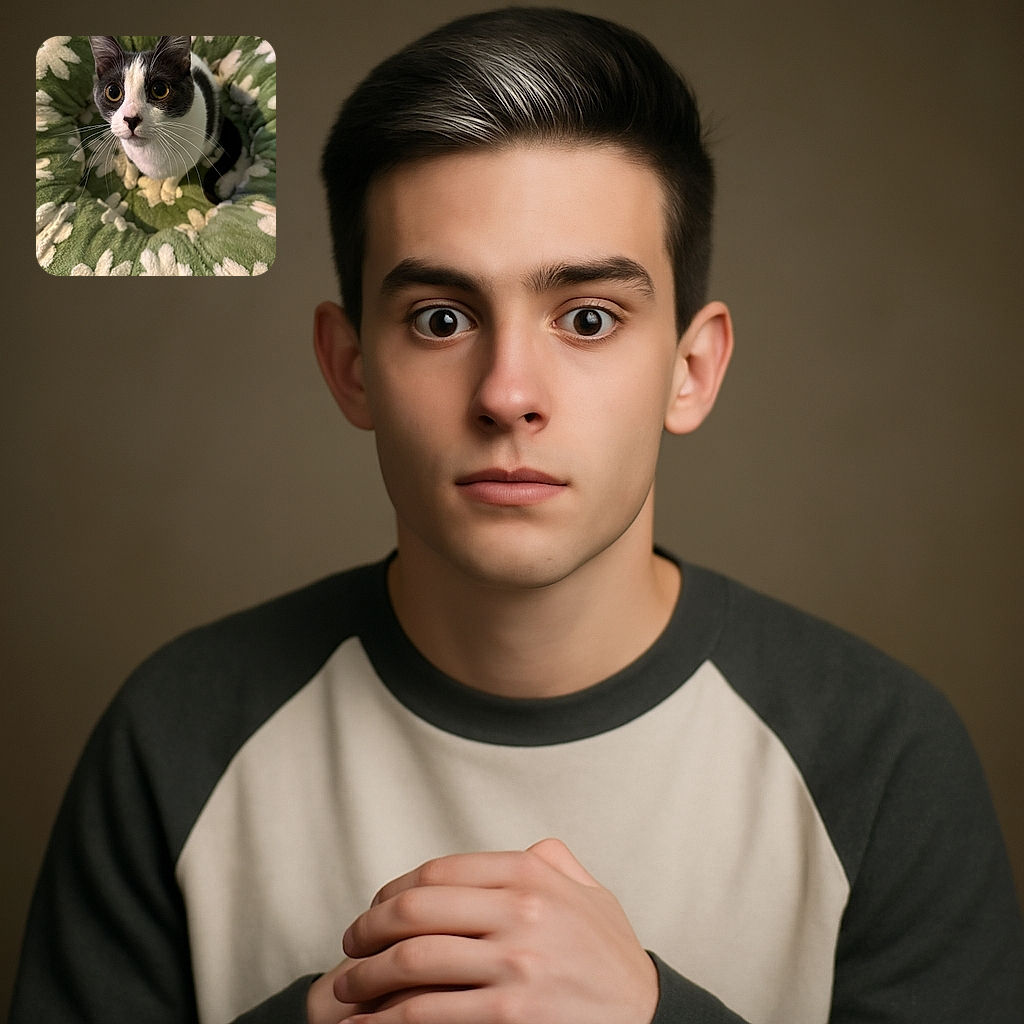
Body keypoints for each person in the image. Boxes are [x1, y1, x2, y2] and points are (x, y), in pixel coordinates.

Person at [11, 8, 1023, 1024]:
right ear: (350, 366)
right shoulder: (176, 736)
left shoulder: (885, 760)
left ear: (691, 368)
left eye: (587, 318)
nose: (506, 393)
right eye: (440, 319)